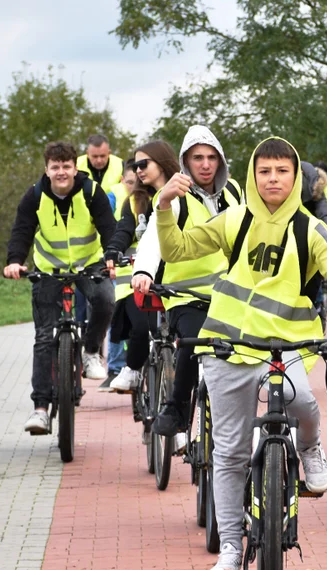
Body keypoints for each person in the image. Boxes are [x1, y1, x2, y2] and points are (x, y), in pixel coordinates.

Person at [155, 137, 327, 570]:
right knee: (228, 452)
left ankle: (309, 449)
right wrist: (164, 207)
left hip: (287, 345)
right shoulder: (233, 219)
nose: (273, 179)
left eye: (282, 171)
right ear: (252, 174)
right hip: (229, 345)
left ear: (297, 178)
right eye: (265, 171)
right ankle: (231, 549)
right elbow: (176, 251)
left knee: (304, 403)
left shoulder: (311, 229)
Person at [130, 125, 242, 436]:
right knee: (194, 341)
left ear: (220, 161)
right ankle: (178, 407)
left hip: (229, 296)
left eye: (211, 157)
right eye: (197, 158)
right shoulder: (176, 194)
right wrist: (143, 271)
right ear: (185, 161)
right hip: (185, 296)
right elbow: (155, 234)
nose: (205, 164)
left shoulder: (235, 192)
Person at [3, 141, 117, 434]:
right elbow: (22, 230)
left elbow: (108, 227)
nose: (61, 172)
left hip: (88, 264)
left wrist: (112, 256)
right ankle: (40, 409)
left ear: (75, 167)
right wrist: (15, 260)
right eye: (55, 167)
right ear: (47, 169)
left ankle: (91, 351)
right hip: (49, 269)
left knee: (105, 300)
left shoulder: (91, 192)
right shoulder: (35, 196)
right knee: (43, 338)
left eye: (66, 166)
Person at [105, 141, 181, 392]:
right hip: (138, 279)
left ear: (162, 161)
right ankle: (133, 369)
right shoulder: (135, 201)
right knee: (140, 326)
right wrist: (114, 250)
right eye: (135, 165)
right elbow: (124, 230)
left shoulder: (183, 194)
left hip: (176, 275)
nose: (138, 170)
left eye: (143, 164)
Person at [103, 159, 139, 383]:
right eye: (129, 182)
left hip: (150, 271)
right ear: (122, 180)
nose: (133, 187)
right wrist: (109, 257)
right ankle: (115, 368)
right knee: (116, 316)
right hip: (120, 265)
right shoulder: (114, 198)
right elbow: (108, 230)